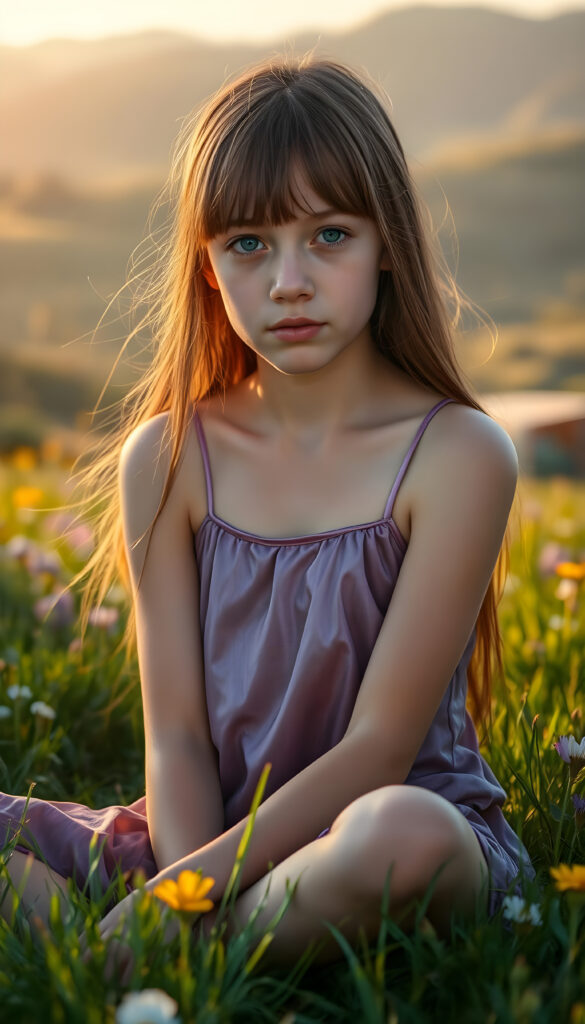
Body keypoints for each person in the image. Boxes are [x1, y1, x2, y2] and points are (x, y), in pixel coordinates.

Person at [0, 52, 535, 970]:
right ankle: (193, 943)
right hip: (200, 841)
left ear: (385, 243)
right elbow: (175, 733)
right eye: (247, 244)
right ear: (208, 269)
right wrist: (185, 875)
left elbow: (378, 748)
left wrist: (173, 905)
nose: (288, 280)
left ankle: (120, 956)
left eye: (329, 235)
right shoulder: (169, 458)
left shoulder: (457, 453)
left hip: (383, 834)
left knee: (401, 833)